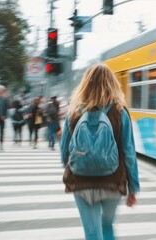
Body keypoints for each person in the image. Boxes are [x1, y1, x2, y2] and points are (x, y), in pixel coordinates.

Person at [60, 64, 140, 240]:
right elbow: (129, 153)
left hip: (81, 183)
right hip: (112, 182)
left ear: (85, 84)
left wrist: (74, 165)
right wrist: (133, 188)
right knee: (107, 226)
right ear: (112, 84)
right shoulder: (120, 112)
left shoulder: (73, 112)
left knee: (92, 232)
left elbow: (64, 151)